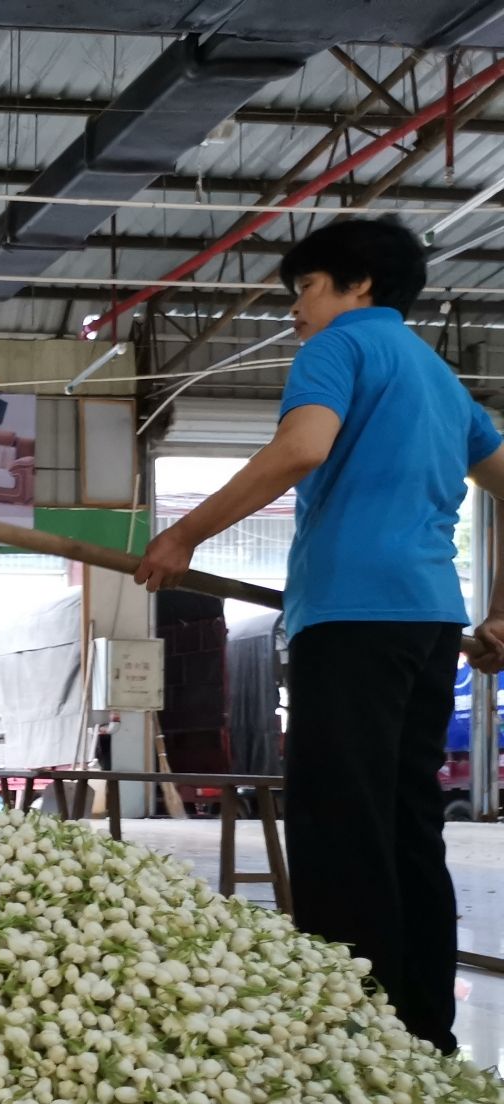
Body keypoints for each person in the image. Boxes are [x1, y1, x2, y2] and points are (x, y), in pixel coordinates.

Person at [136, 217, 504, 1055]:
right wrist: (499, 615)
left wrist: (186, 534)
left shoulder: (339, 349)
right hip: (428, 620)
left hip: (352, 615)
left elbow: (304, 446)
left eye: (304, 289)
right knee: (409, 824)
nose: (295, 311)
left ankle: (353, 1035)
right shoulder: (443, 381)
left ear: (356, 286)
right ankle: (423, 1032)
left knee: (340, 824)